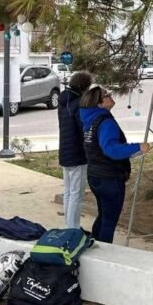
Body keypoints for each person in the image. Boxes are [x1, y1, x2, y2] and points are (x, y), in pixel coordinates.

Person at [80, 86, 150, 243]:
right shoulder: (106, 122)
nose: (110, 95)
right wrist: (138, 147)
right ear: (99, 104)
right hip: (109, 178)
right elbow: (111, 149)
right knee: (109, 221)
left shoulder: (90, 121)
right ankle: (104, 251)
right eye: (106, 95)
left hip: (95, 175)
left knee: (103, 215)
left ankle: (94, 245)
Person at [58, 71, 92, 228]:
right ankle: (73, 229)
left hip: (65, 150)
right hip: (77, 153)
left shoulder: (64, 101)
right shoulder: (79, 104)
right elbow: (83, 128)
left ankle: (69, 225)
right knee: (76, 194)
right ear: (84, 87)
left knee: (68, 192)